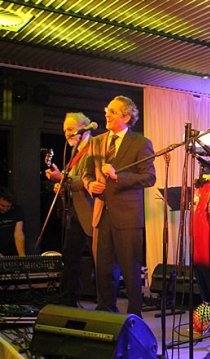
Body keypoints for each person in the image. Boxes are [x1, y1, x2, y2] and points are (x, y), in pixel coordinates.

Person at [83, 96, 156, 316]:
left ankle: (134, 316)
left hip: (128, 217)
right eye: (107, 110)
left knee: (130, 270)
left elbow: (149, 177)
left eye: (113, 111)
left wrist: (119, 177)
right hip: (101, 214)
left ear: (126, 116)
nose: (107, 114)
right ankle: (106, 312)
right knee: (103, 269)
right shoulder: (96, 142)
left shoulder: (140, 143)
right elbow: (87, 174)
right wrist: (90, 185)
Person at [45, 113, 95, 306]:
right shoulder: (75, 152)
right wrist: (62, 184)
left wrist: (62, 179)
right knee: (70, 255)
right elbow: (72, 181)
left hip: (91, 211)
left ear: (84, 128)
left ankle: (104, 302)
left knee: (99, 259)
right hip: (74, 212)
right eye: (65, 130)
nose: (66, 133)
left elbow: (86, 180)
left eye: (70, 129)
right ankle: (69, 299)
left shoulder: (94, 148)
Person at [0, 187, 26, 257]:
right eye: (2, 205)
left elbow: (18, 234)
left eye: (8, 206)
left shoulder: (17, 210)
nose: (5, 209)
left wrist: (22, 256)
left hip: (12, 252)